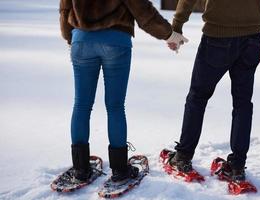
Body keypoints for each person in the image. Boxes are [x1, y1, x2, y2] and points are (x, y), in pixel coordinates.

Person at [59, 0, 187, 183]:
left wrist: (70, 37)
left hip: (82, 40)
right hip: (116, 41)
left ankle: (80, 169)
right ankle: (120, 170)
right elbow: (143, 11)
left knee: (81, 104)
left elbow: (65, 9)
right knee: (115, 106)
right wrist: (169, 34)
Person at [167, 0, 260, 181]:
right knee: (242, 103)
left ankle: (183, 157)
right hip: (251, 38)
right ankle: (237, 167)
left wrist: (177, 26)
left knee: (197, 97)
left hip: (217, 37)